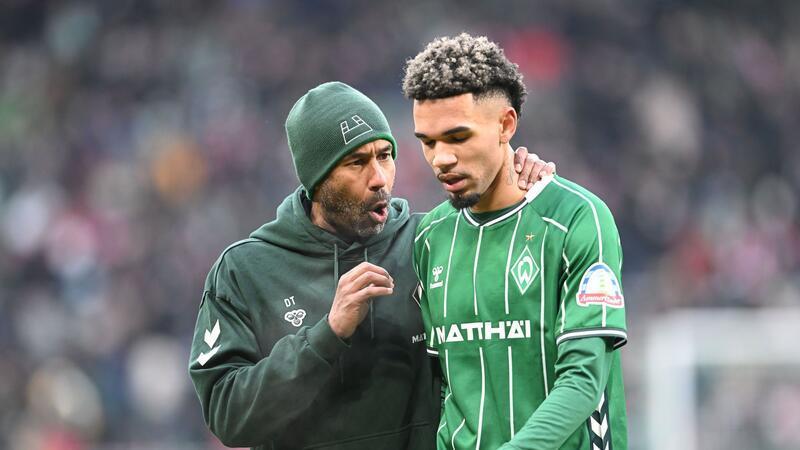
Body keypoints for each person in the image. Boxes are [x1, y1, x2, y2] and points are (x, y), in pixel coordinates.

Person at [188, 81, 555, 449]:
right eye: (357, 162)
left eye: (385, 155)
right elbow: (228, 417)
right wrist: (326, 336)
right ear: (317, 179)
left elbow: (517, 323)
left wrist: (525, 187)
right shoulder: (245, 270)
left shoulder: (433, 241)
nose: (379, 178)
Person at [405, 33, 628, 450]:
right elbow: (444, 390)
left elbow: (582, 381)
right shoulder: (430, 238)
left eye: (457, 137)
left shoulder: (577, 219)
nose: (440, 159)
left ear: (506, 125)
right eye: (427, 142)